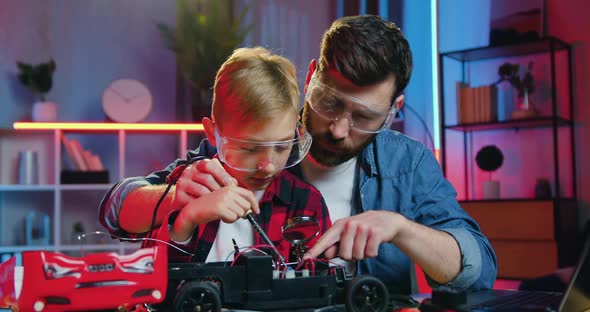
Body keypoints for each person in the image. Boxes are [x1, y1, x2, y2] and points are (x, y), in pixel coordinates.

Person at [100, 15, 497, 294]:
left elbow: (478, 269)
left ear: (394, 110)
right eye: (329, 102)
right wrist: (172, 200)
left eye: (365, 117)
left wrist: (401, 228)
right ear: (311, 78)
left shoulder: (407, 164)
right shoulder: (246, 142)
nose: (339, 129)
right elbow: (117, 210)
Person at [99, 47, 330, 263]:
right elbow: (114, 211)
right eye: (250, 148)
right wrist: (184, 215)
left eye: (282, 146)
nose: (268, 166)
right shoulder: (191, 179)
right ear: (212, 133)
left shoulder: (306, 203)